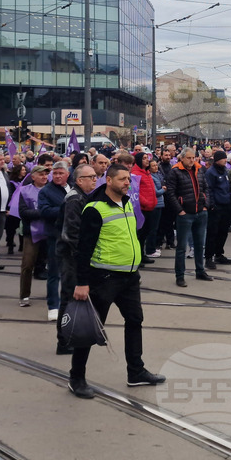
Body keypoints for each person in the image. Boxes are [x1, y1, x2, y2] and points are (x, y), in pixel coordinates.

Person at [69, 164, 166, 399]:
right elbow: (83, 249)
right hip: (104, 277)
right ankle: (76, 378)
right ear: (109, 181)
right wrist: (82, 283)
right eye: (122, 179)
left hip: (129, 277)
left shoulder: (128, 204)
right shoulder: (95, 208)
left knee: (135, 320)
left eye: (129, 179)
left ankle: (136, 371)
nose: (127, 183)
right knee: (90, 330)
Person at [56, 163, 97, 355]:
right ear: (80, 180)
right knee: (69, 297)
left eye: (96, 176)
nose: (95, 179)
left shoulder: (83, 196)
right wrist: (81, 256)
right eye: (91, 177)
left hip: (75, 255)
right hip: (72, 257)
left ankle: (72, 336)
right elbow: (71, 232)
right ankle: (64, 340)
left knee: (74, 297)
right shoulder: (74, 199)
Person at [168, 148, 210, 286]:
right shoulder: (175, 171)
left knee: (199, 245)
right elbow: (170, 193)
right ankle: (180, 275)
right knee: (181, 247)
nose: (192, 160)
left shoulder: (199, 169)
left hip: (200, 213)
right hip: (185, 214)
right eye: (189, 158)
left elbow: (206, 189)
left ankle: (200, 270)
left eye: (193, 158)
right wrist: (179, 210)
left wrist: (206, 205)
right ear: (182, 158)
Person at [36, 161, 68, 319]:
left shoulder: (73, 187)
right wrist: (66, 207)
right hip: (55, 236)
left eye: (60, 173)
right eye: (55, 173)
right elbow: (44, 211)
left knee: (71, 272)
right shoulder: (46, 191)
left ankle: (68, 302)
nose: (57, 176)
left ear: (67, 174)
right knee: (54, 272)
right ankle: (53, 305)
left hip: (72, 237)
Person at [17, 165, 49, 307]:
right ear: (33, 176)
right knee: (28, 265)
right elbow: (23, 212)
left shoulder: (52, 190)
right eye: (41, 174)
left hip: (49, 232)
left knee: (53, 265)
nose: (44, 177)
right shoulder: (25, 191)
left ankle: (52, 294)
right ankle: (24, 295)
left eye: (46, 174)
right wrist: (43, 212)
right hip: (32, 233)